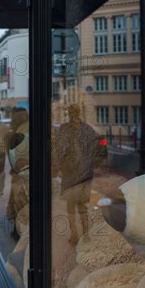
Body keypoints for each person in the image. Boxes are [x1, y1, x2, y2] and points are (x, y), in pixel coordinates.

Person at [54, 103, 104, 244]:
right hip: (84, 174)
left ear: (69, 114)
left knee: (70, 206)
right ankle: (86, 235)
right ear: (79, 113)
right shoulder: (87, 129)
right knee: (82, 207)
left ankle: (74, 235)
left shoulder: (64, 129)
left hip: (69, 172)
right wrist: (93, 164)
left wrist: (58, 167)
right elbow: (98, 146)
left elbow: (58, 149)